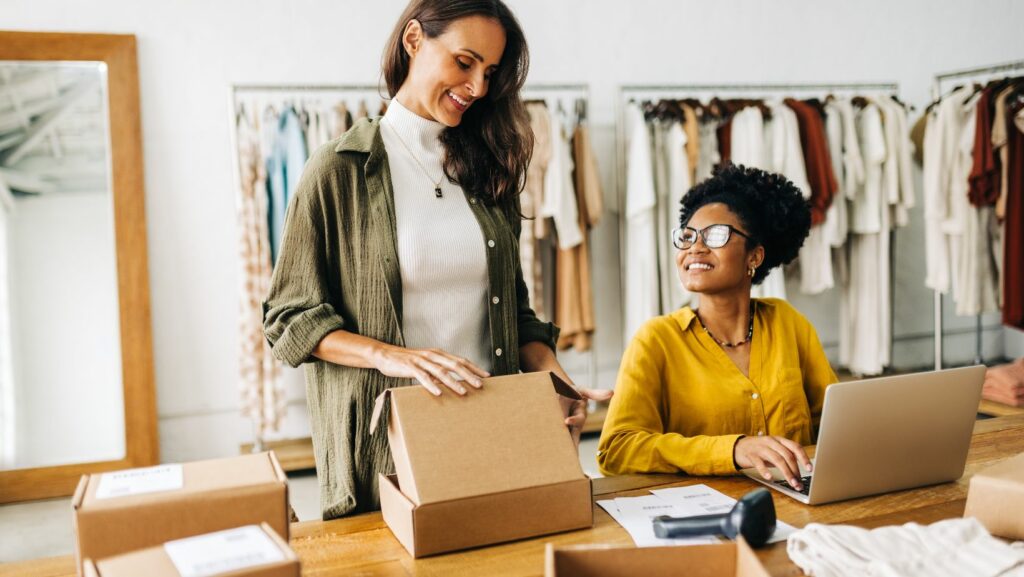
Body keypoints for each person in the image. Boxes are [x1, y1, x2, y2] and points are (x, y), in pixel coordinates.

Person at [264, 0, 610, 520]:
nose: (477, 88)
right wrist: (393, 356)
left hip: (495, 433)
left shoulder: (488, 169)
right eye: (464, 62)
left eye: (490, 73)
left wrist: (555, 380)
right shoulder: (338, 171)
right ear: (413, 40)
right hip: (389, 447)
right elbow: (289, 318)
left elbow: (514, 313)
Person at [597, 164, 837, 491]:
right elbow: (616, 450)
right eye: (687, 236)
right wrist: (733, 450)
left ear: (754, 256)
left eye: (715, 235)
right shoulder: (656, 340)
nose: (695, 247)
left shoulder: (787, 322)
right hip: (703, 513)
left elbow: (836, 422)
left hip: (798, 502)